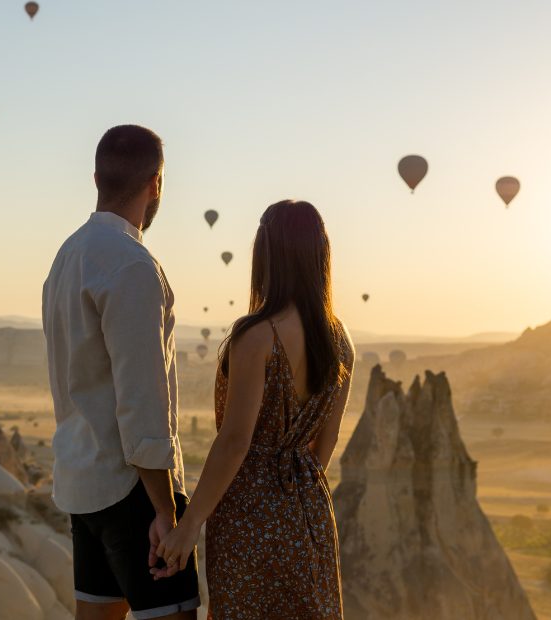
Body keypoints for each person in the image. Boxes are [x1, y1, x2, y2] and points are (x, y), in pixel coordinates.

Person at [153, 200, 355, 619]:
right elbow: (328, 440)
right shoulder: (340, 340)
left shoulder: (256, 337)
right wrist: (294, 486)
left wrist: (188, 527)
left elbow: (234, 442)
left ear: (265, 254)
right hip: (309, 507)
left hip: (247, 513)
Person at [42, 125, 199, 620]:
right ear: (157, 183)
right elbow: (141, 398)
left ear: (95, 178)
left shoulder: (67, 257)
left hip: (82, 485)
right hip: (132, 488)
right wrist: (165, 510)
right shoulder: (132, 266)